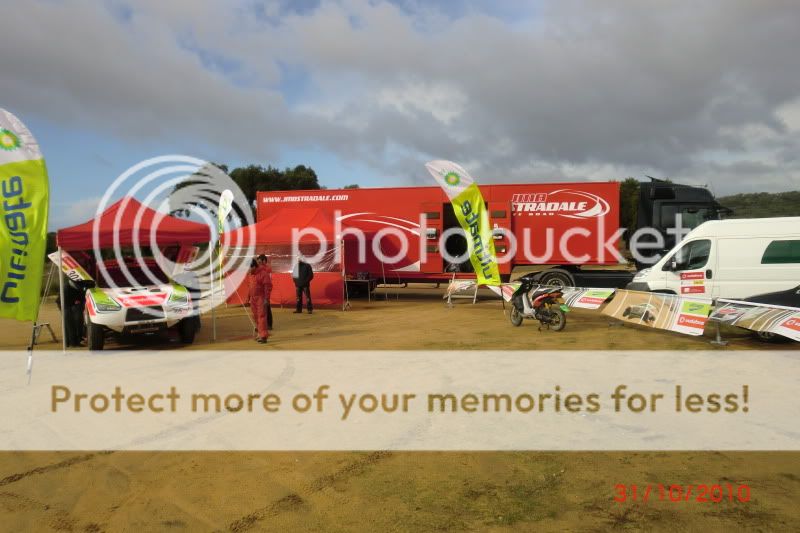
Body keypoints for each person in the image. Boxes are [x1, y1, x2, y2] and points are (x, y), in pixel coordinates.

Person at [248, 258, 272, 343]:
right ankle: (260, 333)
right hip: (253, 299)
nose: (248, 270)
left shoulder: (263, 274)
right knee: (255, 316)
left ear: (254, 266)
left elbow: (268, 287)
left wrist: (266, 299)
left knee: (261, 317)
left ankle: (263, 336)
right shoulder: (251, 275)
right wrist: (249, 298)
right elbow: (250, 287)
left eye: (249, 268)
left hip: (261, 298)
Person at [257, 254, 273, 330]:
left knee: (267, 307)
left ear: (264, 261)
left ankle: (269, 324)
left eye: (260, 261)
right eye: (258, 262)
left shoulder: (267, 269)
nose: (259, 263)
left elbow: (268, 283)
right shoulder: (260, 269)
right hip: (260, 291)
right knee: (261, 309)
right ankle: (262, 325)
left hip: (265, 290)